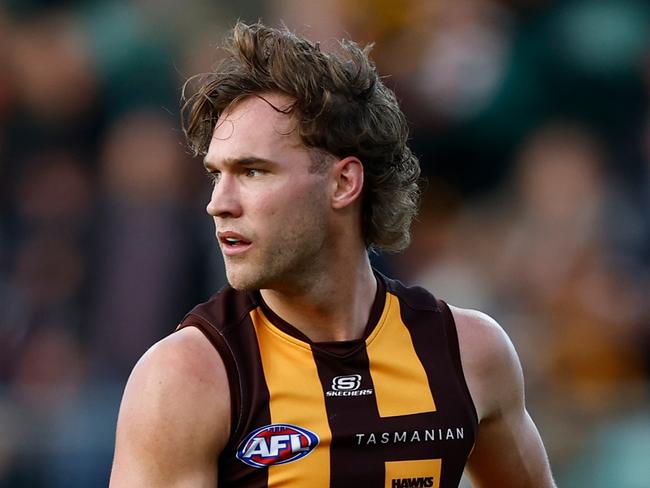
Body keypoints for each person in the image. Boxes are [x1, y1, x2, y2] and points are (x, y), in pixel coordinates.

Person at [109, 22, 555, 488]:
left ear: (344, 183)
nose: (218, 202)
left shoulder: (470, 354)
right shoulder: (186, 378)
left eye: (253, 171)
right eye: (216, 173)